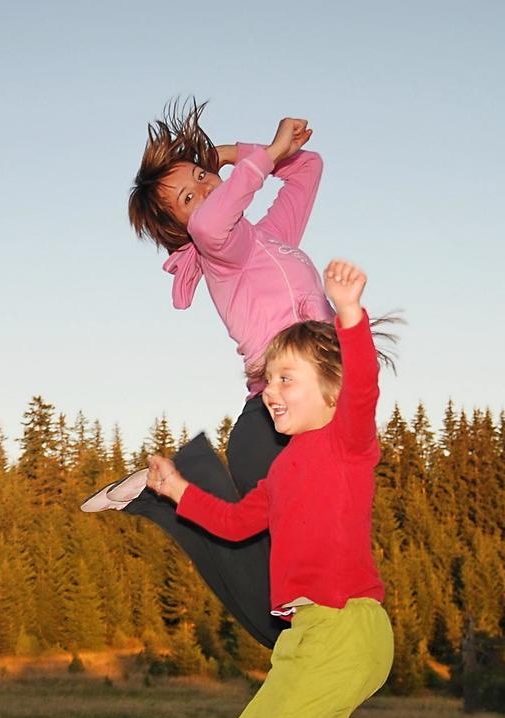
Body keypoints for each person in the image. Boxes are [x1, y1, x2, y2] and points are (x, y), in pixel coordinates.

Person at [146, 259, 445, 718]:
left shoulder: (346, 441)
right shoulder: (282, 471)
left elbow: (364, 381)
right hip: (304, 635)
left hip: (348, 627)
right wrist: (178, 490)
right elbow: (234, 521)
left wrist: (348, 313)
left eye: (287, 379)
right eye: (268, 379)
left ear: (329, 391)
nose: (271, 391)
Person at [82, 100, 326, 650]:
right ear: (185, 231)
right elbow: (217, 219)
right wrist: (260, 159)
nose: (208, 192)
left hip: (287, 418)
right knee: (283, 613)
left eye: (202, 178)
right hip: (274, 423)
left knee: (280, 602)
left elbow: (308, 167)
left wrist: (230, 155)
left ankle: (169, 491)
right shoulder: (223, 248)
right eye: (188, 199)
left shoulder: (269, 237)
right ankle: (169, 493)